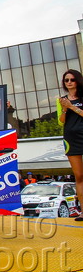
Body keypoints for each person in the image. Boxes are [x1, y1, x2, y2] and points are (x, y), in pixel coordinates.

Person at [57, 69, 83, 221]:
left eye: (72, 79)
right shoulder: (61, 100)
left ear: (77, 80)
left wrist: (72, 106)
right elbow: (61, 121)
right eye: (66, 80)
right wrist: (65, 108)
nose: (69, 82)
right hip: (71, 138)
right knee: (79, 176)